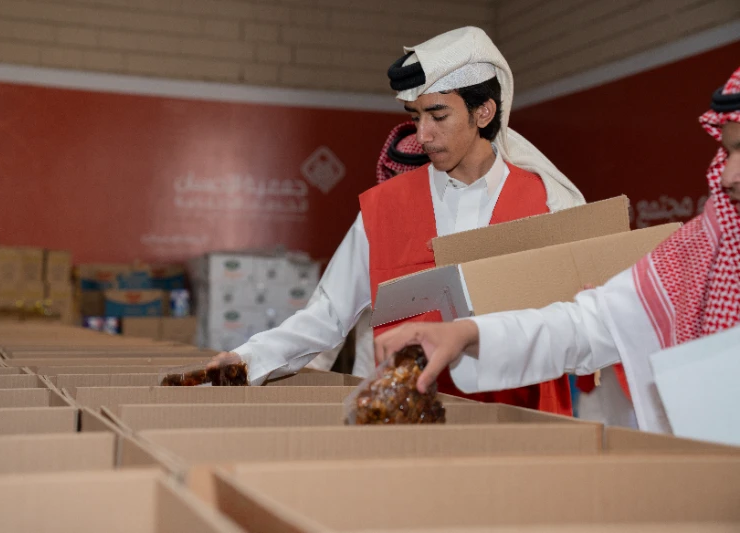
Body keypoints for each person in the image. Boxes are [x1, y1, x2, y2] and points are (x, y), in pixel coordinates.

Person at [223, 27, 585, 415]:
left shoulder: (548, 205)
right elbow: (327, 315)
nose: (423, 135)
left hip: (527, 426)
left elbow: (582, 321)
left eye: (438, 115)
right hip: (415, 425)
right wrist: (245, 361)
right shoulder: (384, 208)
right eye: (416, 116)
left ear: (483, 112)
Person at [374, 66, 740, 434]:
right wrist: (468, 334)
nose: (727, 176)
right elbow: (587, 325)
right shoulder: (705, 248)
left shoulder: (537, 196)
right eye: (728, 152)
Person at [306, 122, 430, 378]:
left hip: (445, 378)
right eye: (394, 177)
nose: (399, 188)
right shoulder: (374, 223)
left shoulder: (459, 225)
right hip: (374, 371)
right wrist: (306, 377)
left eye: (410, 179)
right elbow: (331, 310)